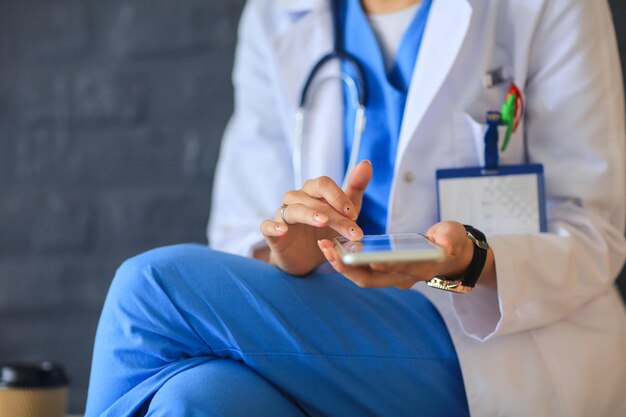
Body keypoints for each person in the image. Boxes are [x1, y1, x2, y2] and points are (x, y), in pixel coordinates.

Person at [85, 0, 626, 415]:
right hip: (319, 323)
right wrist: (286, 255)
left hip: (491, 344)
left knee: (149, 288)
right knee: (198, 398)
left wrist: (464, 264)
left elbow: (595, 231)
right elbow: (237, 226)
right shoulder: (277, 13)